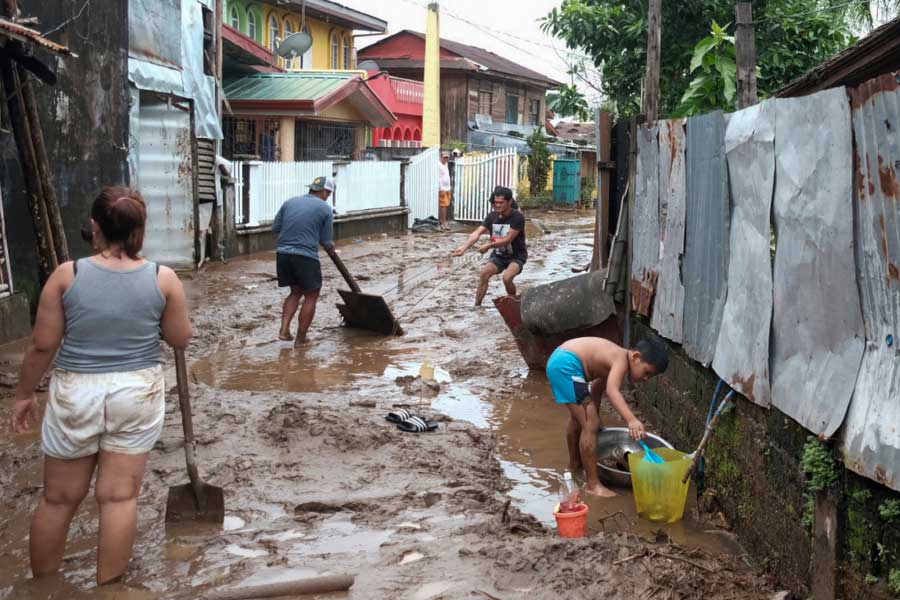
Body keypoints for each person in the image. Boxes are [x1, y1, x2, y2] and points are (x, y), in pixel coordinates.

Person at [10, 186, 192, 585]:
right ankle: (109, 590)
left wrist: (24, 394)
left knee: (58, 500)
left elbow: (43, 345)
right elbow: (179, 339)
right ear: (140, 228)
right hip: (136, 392)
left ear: (95, 226)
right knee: (119, 498)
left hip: (76, 391)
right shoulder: (164, 279)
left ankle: (44, 588)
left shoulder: (66, 275)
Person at [547, 336, 669, 497]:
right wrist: (631, 420)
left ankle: (574, 466)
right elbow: (612, 391)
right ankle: (593, 485)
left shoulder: (615, 358)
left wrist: (594, 415)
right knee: (589, 423)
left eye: (650, 377)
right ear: (636, 357)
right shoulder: (621, 360)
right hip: (566, 365)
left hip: (562, 361)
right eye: (647, 372)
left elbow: (597, 388)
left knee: (582, 419)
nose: (646, 379)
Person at [273, 176, 335, 344]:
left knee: (295, 291)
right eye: (328, 193)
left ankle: (284, 330)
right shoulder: (325, 209)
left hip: (283, 254)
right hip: (305, 256)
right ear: (325, 192)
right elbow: (326, 240)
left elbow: (275, 228)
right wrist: (331, 249)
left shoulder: (290, 202)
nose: (327, 196)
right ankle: (301, 338)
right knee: (311, 295)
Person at [452, 186, 526, 306]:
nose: (497, 205)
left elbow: (508, 239)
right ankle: (477, 306)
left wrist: (488, 246)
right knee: (484, 274)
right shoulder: (492, 216)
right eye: (495, 202)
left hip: (516, 256)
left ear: (509, 202)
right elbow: (477, 232)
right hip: (499, 255)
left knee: (507, 278)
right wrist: (464, 248)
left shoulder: (518, 217)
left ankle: (514, 302)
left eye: (501, 202)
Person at [438, 151, 452, 231]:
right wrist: (441, 188)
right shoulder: (438, 165)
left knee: (446, 205)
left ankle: (444, 221)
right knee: (443, 205)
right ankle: (443, 222)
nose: (446, 159)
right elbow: (439, 177)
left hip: (447, 188)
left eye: (447, 157)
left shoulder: (446, 164)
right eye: (445, 157)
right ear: (441, 157)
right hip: (443, 188)